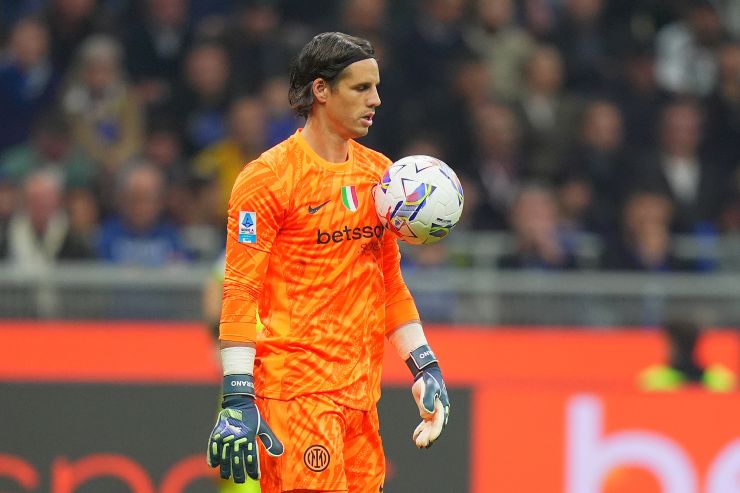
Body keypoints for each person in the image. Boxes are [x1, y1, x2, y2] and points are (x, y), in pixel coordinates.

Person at [206, 32, 450, 492]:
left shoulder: (382, 176)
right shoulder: (268, 179)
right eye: (361, 88)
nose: (375, 100)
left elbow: (390, 285)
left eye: (376, 88)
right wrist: (237, 396)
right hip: (296, 395)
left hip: (360, 395)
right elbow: (240, 289)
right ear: (321, 90)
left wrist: (424, 365)